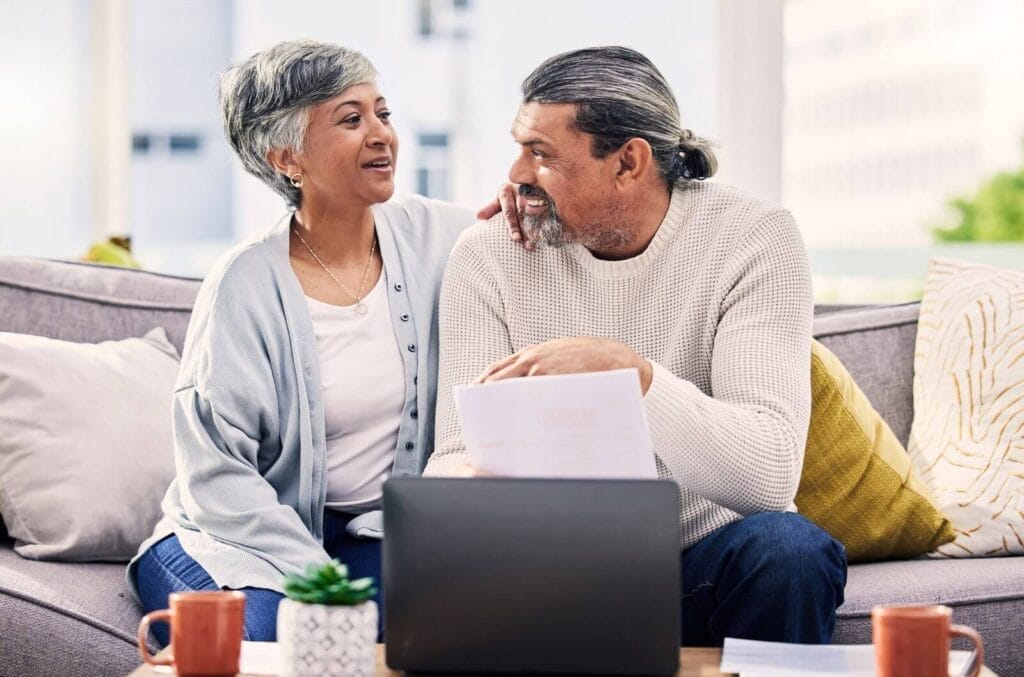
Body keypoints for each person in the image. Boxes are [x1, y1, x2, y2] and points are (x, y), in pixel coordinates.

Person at [425, 46, 848, 646]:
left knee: (791, 551)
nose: (517, 174)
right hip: (547, 568)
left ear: (628, 161)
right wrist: (471, 487)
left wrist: (631, 374)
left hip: (700, 560)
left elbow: (769, 475)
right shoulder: (493, 251)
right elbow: (452, 455)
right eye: (520, 147)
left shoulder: (754, 237)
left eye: (541, 154)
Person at [127, 40, 498, 644]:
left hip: (372, 535)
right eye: (351, 120)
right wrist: (322, 585)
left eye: (383, 113)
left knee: (462, 630)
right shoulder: (243, 284)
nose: (381, 134)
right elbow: (217, 473)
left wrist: (527, 204)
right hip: (235, 537)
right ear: (287, 158)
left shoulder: (444, 237)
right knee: (275, 641)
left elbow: (529, 236)